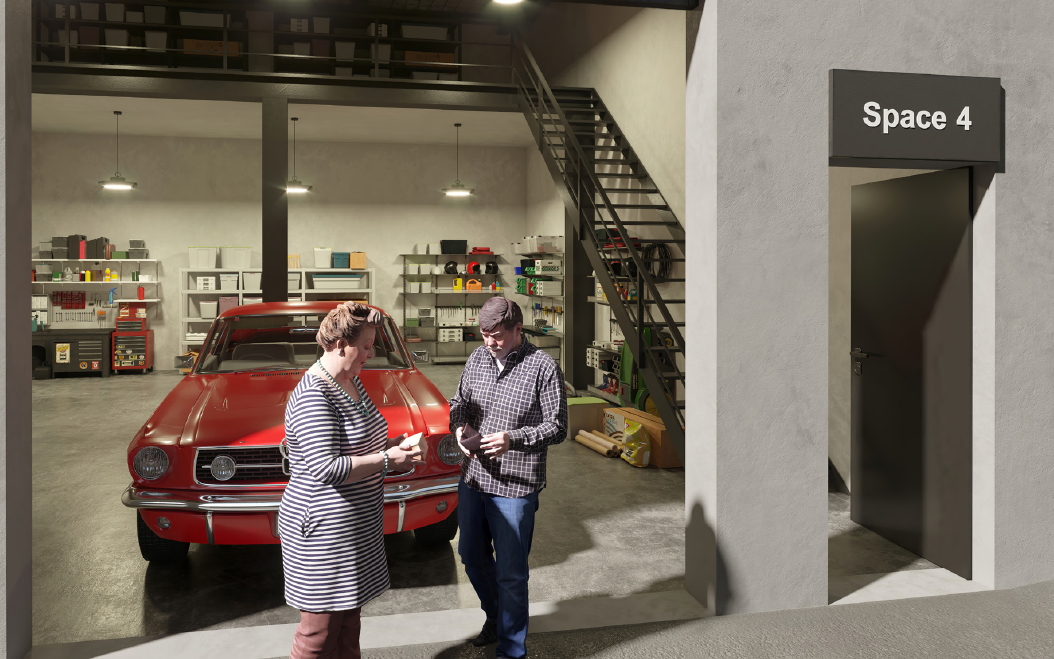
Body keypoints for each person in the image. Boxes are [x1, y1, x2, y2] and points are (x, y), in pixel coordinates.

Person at [280, 302, 424, 659]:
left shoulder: (350, 381)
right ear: (340, 343)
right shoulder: (316, 394)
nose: (370, 353)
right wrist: (388, 459)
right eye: (365, 345)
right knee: (319, 634)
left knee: (348, 625)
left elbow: (362, 441)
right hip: (324, 534)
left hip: (354, 528)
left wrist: (393, 447)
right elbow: (325, 467)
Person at [449, 297, 568, 659]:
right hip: (474, 478)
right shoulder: (477, 358)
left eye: (498, 335)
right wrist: (458, 429)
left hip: (515, 488)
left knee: (512, 573)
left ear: (519, 329)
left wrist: (512, 439)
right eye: (484, 335)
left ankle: (512, 649)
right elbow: (460, 403)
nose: (490, 342)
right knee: (471, 556)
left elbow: (558, 427)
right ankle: (496, 618)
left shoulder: (543, 367)